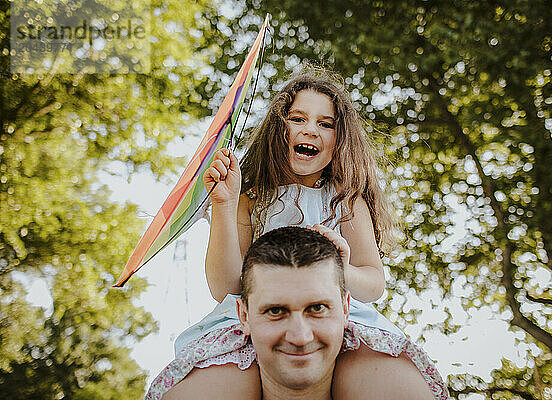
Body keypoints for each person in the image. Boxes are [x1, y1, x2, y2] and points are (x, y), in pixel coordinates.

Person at [146, 68, 448, 399]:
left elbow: (374, 284)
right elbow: (227, 287)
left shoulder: (346, 200)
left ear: (340, 140)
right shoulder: (250, 199)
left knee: (384, 384)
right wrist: (224, 204)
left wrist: (342, 268)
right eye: (298, 119)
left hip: (340, 321)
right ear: (279, 128)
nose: (310, 130)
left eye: (325, 123)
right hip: (249, 324)